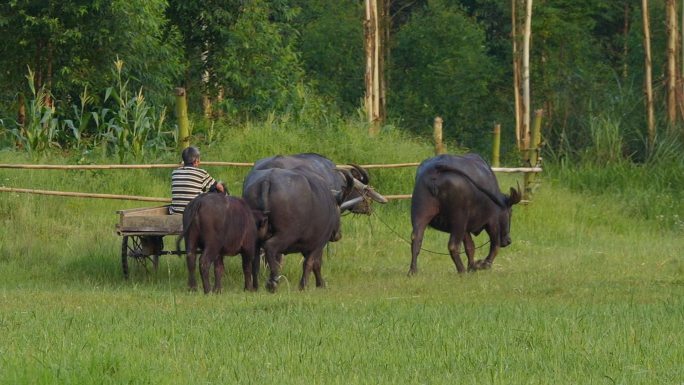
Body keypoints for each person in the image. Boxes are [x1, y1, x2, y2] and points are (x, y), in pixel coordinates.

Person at [169, 146, 225, 214]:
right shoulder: (201, 172)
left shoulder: (175, 172)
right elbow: (220, 187)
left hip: (175, 212)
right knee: (216, 189)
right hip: (193, 213)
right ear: (196, 161)